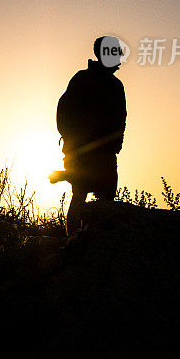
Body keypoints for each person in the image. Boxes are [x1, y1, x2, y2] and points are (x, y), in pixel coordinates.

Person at [55, 36, 127, 235]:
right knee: (79, 196)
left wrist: (117, 143)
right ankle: (74, 245)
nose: (119, 57)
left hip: (106, 155)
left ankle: (95, 245)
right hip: (81, 152)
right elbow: (65, 112)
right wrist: (73, 144)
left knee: (105, 201)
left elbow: (121, 117)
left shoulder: (116, 86)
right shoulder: (82, 79)